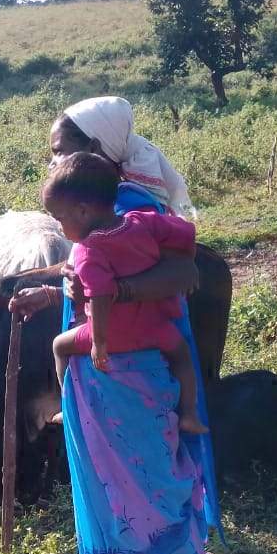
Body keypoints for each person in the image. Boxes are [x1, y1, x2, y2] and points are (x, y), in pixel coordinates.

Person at [10, 95, 218, 554]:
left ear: (94, 153)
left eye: (60, 150)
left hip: (125, 374)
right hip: (113, 374)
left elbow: (181, 273)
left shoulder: (127, 206)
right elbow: (87, 280)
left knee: (148, 500)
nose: (53, 160)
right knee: (136, 495)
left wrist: (112, 298)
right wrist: (56, 293)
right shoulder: (106, 213)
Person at [44, 152, 207, 435]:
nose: (60, 226)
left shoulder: (88, 250)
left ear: (83, 212)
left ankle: (67, 405)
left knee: (59, 345)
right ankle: (190, 414)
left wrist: (100, 343)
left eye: (60, 218)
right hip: (155, 327)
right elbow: (185, 230)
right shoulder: (140, 221)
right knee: (181, 353)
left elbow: (101, 294)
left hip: (115, 333)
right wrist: (187, 261)